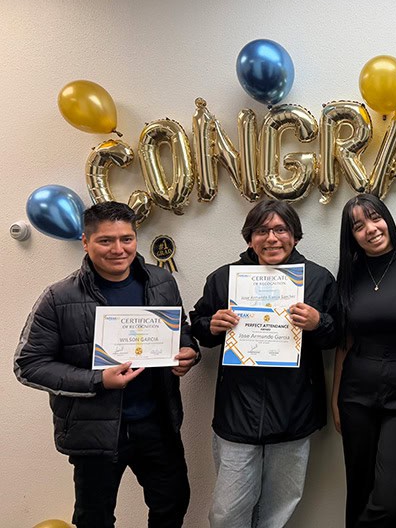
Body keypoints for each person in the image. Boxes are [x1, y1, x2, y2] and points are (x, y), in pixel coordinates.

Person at [14, 201, 199, 528]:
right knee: (94, 518)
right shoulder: (58, 297)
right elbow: (28, 365)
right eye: (106, 240)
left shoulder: (161, 283)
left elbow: (180, 330)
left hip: (157, 423)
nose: (118, 249)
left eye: (126, 239)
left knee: (172, 503)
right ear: (85, 242)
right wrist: (98, 380)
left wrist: (188, 352)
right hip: (93, 431)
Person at [190, 200, 337, 528]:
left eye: (281, 229)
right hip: (237, 413)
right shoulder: (224, 278)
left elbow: (337, 336)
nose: (272, 238)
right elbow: (197, 325)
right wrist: (209, 326)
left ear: (295, 236)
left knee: (279, 510)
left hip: (294, 412)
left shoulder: (317, 279)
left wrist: (319, 323)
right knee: (227, 513)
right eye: (261, 230)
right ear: (249, 238)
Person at [332, 194, 396, 528]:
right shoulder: (348, 276)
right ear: (352, 236)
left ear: (388, 220)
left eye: (375, 218)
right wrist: (335, 399)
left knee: (390, 502)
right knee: (359, 492)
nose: (370, 229)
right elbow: (343, 344)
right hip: (356, 395)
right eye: (358, 226)